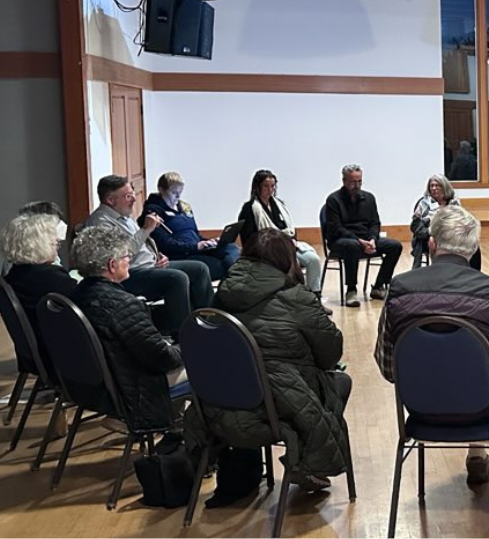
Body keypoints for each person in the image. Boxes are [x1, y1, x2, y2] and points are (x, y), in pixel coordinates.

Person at [374, 205, 489, 486]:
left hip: (419, 409)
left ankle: (483, 448)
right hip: (484, 410)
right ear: (473, 248)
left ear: (432, 244)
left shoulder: (398, 290)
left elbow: (387, 366)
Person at [202, 228, 353, 498]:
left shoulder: (222, 293)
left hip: (220, 404)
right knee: (339, 382)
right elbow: (331, 354)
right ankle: (308, 464)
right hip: (274, 410)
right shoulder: (298, 297)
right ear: (286, 259)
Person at [69, 226, 187, 431]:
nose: (129, 261)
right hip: (132, 390)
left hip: (91, 388)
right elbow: (163, 359)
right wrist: (187, 347)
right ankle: (184, 438)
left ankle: (173, 432)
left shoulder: (76, 295)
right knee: (209, 363)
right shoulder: (122, 304)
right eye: (126, 256)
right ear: (112, 265)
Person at [86, 175, 212, 338]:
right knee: (177, 278)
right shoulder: (101, 221)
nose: (133, 200)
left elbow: (142, 243)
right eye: (128, 196)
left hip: (150, 265)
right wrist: (146, 229)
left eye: (133, 194)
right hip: (128, 274)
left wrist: (157, 255)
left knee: (199, 268)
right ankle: (182, 336)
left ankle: (208, 323)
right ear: (110, 199)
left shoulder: (124, 216)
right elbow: (120, 254)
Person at [1, 213, 77, 371]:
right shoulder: (51, 278)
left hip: (35, 355)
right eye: (54, 243)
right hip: (62, 358)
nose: (57, 247)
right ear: (39, 244)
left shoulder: (13, 275)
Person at [324, 164, 402, 306]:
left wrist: (372, 239)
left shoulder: (369, 198)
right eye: (353, 182)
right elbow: (336, 228)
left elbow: (375, 223)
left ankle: (378, 286)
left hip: (366, 239)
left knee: (395, 246)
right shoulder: (334, 200)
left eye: (359, 181)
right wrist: (359, 241)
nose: (357, 185)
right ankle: (351, 290)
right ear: (344, 181)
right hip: (342, 240)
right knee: (352, 246)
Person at [238, 169, 323, 297]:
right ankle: (292, 299)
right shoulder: (249, 209)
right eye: (266, 186)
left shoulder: (280, 205)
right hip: (267, 251)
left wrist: (291, 241)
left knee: (313, 260)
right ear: (257, 187)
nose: (270, 189)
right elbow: (248, 238)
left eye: (272, 186)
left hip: (288, 246)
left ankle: (315, 297)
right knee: (288, 265)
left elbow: (290, 229)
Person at [141, 172, 240, 281]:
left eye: (180, 192)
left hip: (196, 248)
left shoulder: (184, 207)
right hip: (181, 254)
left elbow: (194, 233)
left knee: (231, 247)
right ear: (161, 190)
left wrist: (208, 242)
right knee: (218, 265)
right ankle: (237, 280)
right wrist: (195, 246)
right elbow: (164, 243)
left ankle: (237, 279)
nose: (178, 197)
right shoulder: (153, 212)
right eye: (174, 193)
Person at [410, 174, 480, 271]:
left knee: (472, 243)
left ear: (444, 187)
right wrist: (431, 232)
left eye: (437, 185)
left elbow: (460, 220)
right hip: (429, 237)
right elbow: (415, 226)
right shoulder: (423, 203)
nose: (434, 188)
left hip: (451, 235)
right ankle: (438, 271)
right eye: (432, 186)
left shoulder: (454, 203)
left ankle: (472, 272)